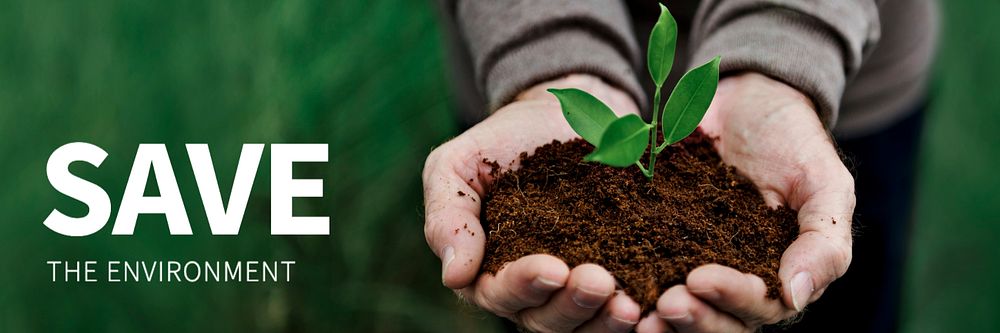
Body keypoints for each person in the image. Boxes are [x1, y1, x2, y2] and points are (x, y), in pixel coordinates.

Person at [423, 1, 937, 332]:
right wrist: (545, 50)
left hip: (836, 65)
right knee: (536, 299)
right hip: (512, 54)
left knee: (843, 307)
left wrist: (784, 42)